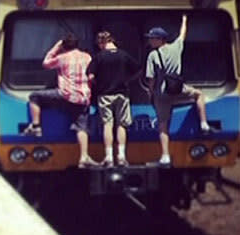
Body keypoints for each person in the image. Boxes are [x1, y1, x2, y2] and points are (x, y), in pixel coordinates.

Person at [22, 33, 99, 168]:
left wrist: (56, 47)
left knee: (34, 96)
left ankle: (36, 126)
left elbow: (46, 63)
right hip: (83, 98)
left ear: (64, 46)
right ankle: (84, 157)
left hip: (65, 95)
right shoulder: (87, 57)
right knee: (82, 127)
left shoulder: (62, 58)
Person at [145, 15, 212, 166]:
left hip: (162, 94)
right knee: (198, 94)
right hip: (178, 89)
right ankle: (204, 123)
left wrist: (151, 94)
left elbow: (151, 79)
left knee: (163, 125)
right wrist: (184, 20)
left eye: (152, 38)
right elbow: (182, 34)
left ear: (159, 40)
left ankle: (165, 156)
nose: (149, 40)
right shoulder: (176, 47)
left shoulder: (152, 55)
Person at [87, 31, 140, 167]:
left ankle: (109, 157)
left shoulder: (99, 57)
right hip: (122, 93)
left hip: (105, 95)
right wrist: (128, 81)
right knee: (122, 124)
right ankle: (121, 156)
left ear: (101, 43)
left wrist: (98, 84)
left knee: (107, 125)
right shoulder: (124, 55)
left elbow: (90, 77)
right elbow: (138, 70)